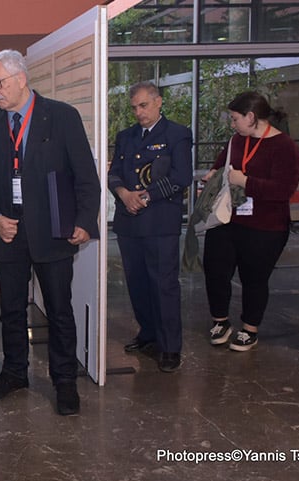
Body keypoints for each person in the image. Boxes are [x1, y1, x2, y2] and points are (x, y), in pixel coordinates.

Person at [0, 49, 101, 416]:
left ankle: (64, 381)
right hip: (8, 232)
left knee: (59, 310)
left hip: (53, 230)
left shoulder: (61, 116)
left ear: (21, 78)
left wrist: (84, 221)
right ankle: (14, 372)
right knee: (11, 310)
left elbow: (85, 176)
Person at [201, 91, 299, 352]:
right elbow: (221, 165)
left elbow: (283, 190)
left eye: (235, 119)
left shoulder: (285, 147)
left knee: (254, 278)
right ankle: (220, 321)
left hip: (266, 226)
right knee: (215, 269)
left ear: (251, 117)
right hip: (227, 219)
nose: (232, 124)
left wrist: (246, 182)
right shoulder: (236, 141)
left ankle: (250, 328)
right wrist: (213, 176)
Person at [109, 81, 193, 373]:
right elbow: (114, 173)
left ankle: (169, 346)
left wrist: (144, 197)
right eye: (134, 107)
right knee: (137, 283)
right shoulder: (126, 136)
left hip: (159, 221)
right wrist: (124, 194)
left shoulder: (177, 134)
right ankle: (148, 334)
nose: (138, 112)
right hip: (129, 221)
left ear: (159, 102)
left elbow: (181, 177)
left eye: (143, 105)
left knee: (163, 285)